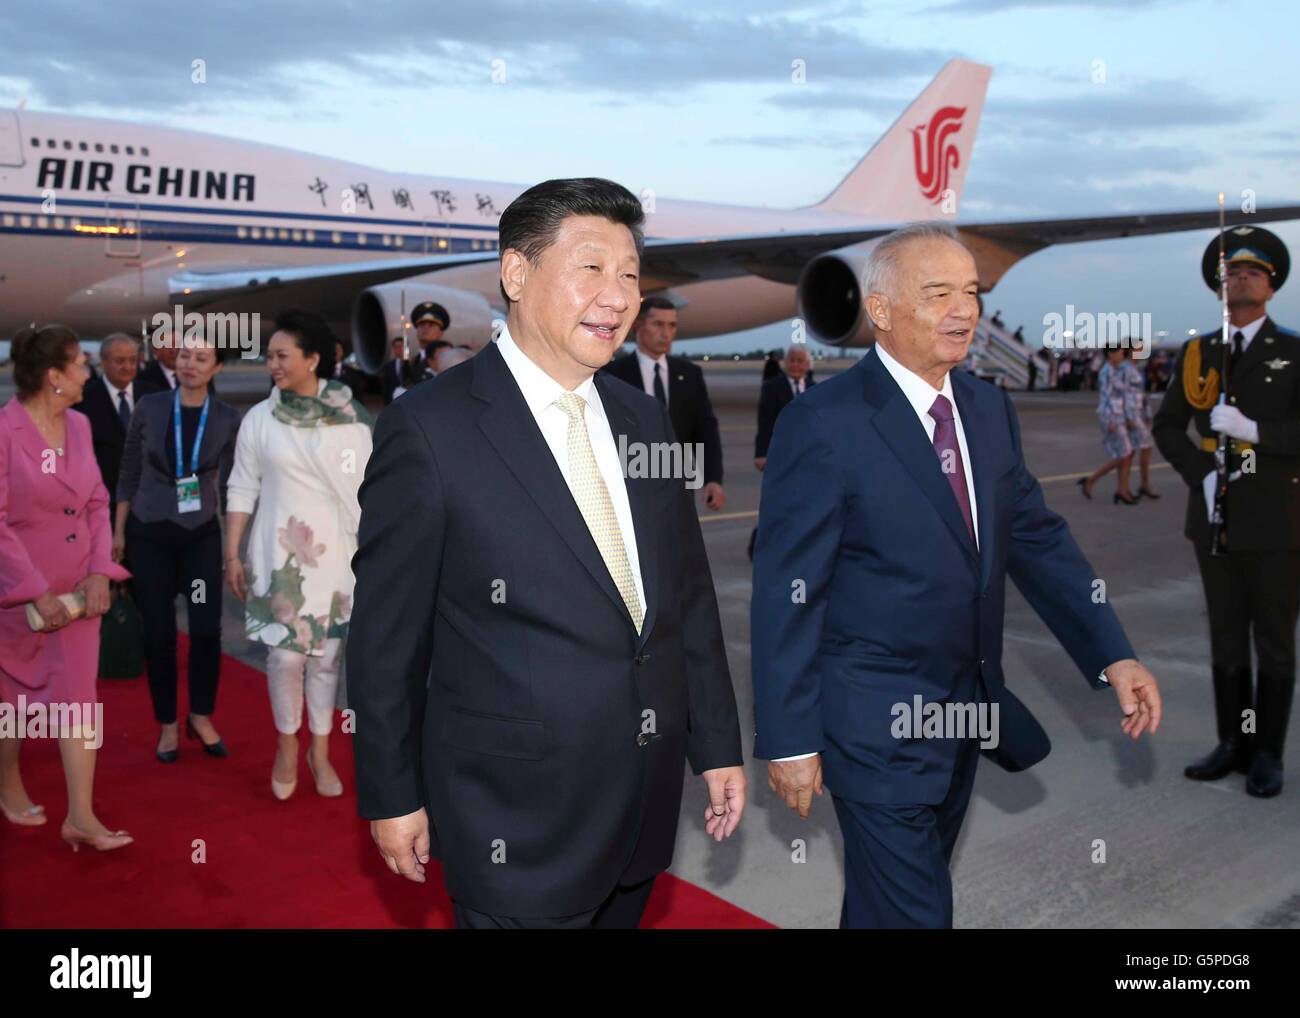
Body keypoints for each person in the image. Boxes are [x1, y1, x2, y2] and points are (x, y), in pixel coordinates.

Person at [349, 177, 745, 929]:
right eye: (591, 268)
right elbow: (385, 639)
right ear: (517, 275)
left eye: (630, 274)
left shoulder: (644, 419)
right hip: (514, 820)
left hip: (641, 802)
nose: (619, 295)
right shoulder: (430, 431)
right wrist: (393, 792)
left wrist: (716, 743)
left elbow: (685, 596)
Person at [751, 223, 1161, 928]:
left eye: (970, 292)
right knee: (917, 914)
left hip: (964, 715)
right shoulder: (824, 423)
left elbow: (1036, 538)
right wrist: (789, 737)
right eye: (937, 293)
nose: (964, 310)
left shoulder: (985, 408)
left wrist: (1110, 651)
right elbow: (787, 591)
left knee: (887, 909)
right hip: (874, 724)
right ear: (880, 312)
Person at [1153, 226, 1299, 798]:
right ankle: (1232, 743)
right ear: (1221, 286)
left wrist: (1256, 431)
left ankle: (1267, 752)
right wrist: (1203, 473)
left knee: (1274, 640)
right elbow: (1166, 426)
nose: (1241, 277)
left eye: (1253, 272)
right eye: (1232, 272)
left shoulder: (1293, 352)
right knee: (1226, 636)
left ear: (1271, 285)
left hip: (1278, 518)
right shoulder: (1199, 352)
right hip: (1214, 514)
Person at [225, 310, 374, 801]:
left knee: (328, 658)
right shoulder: (259, 419)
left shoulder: (350, 420)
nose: (273, 365)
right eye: (268, 356)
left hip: (334, 556)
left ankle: (322, 750)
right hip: (278, 556)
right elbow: (242, 486)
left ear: (313, 360)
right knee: (285, 657)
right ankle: (288, 743)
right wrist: (232, 553)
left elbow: (367, 493)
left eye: (282, 356)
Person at [0, 325, 133, 848]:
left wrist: (100, 569)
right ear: (54, 376)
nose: (88, 372)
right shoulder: (5, 432)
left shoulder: (79, 425)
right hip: (19, 594)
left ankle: (80, 816)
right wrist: (34, 590)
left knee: (78, 699)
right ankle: (8, 783)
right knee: (13, 703)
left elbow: (97, 502)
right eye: (81, 363)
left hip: (79, 594)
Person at [113, 334, 239, 763]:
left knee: (205, 628)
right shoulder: (150, 407)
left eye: (202, 358)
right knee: (160, 632)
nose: (190, 364)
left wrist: (234, 546)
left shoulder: (225, 416)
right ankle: (167, 722)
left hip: (199, 536)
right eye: (185, 355)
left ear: (216, 368)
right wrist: (118, 531)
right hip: (149, 534)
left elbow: (230, 483)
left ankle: (201, 714)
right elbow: (128, 470)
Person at [600, 297, 726, 510]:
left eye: (672, 325)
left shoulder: (689, 375)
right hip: (629, 484)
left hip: (678, 483)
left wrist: (712, 479)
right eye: (658, 324)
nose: (666, 333)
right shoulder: (612, 375)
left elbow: (705, 429)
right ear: (638, 326)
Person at [74, 333, 160, 519]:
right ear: (103, 362)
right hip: (103, 505)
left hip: (149, 503)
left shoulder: (154, 397)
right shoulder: (84, 401)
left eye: (132, 360)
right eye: (120, 361)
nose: (127, 366)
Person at [748, 344, 815, 560]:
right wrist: (761, 452)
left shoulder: (815, 388)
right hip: (780, 456)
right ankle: (759, 545)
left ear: (807, 364)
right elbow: (764, 421)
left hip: (808, 458)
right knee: (778, 503)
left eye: (800, 361)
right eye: (792, 360)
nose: (795, 365)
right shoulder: (772, 387)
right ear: (785, 363)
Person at [1077, 344, 1139, 504]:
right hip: (1111, 416)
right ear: (1110, 355)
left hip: (1120, 415)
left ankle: (1122, 490)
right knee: (1126, 453)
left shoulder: (1118, 370)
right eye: (1119, 352)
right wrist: (1112, 420)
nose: (1122, 354)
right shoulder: (1106, 373)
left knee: (1126, 453)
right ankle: (1093, 480)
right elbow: (1107, 397)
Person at [1122, 349, 1158, 498]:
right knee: (1136, 450)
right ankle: (1128, 487)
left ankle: (1136, 486)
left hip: (1138, 414)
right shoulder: (1125, 369)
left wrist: (1147, 413)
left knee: (1135, 451)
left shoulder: (1134, 368)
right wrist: (1128, 417)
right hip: (1132, 416)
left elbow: (1140, 395)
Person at [408, 302, 451, 382]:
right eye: (422, 325)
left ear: (440, 333)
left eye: (431, 325)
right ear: (417, 331)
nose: (426, 328)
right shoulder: (413, 361)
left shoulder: (448, 359)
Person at [382, 337, 409, 405]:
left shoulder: (412, 363)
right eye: (395, 347)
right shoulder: (389, 366)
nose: (398, 349)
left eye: (400, 346)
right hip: (393, 401)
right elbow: (386, 386)